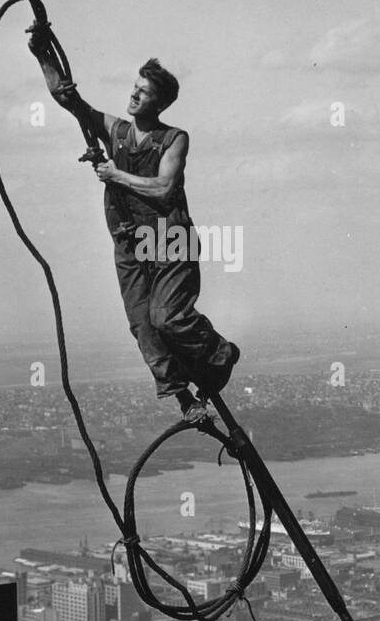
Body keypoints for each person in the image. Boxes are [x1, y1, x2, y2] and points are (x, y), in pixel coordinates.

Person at [28, 23, 239, 423]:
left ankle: (219, 354)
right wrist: (42, 53)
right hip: (128, 241)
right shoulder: (117, 131)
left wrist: (115, 175)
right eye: (134, 86)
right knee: (144, 326)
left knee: (169, 319)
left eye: (143, 91)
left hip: (169, 239)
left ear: (159, 103)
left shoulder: (173, 138)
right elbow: (68, 100)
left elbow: (163, 188)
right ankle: (185, 402)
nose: (134, 94)